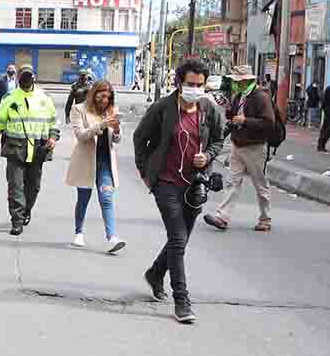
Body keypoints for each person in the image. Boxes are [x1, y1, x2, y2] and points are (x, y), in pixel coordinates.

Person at [133, 57, 226, 325]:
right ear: (179, 83)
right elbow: (141, 138)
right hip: (166, 183)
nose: (195, 89)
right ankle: (181, 300)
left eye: (200, 84)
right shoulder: (163, 108)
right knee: (177, 239)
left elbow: (219, 138)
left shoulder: (209, 108)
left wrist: (207, 156)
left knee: (182, 238)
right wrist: (146, 173)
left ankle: (155, 273)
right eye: (190, 84)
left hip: (195, 184)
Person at [0, 64, 59, 236]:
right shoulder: (10, 98)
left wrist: (53, 137)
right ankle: (17, 220)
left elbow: (53, 122)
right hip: (15, 148)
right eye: (23, 77)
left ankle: (26, 210)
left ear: (34, 78)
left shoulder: (44, 98)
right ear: (18, 78)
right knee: (15, 186)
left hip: (38, 149)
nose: (26, 80)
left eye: (29, 77)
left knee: (33, 187)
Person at [203, 65, 275, 234]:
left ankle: (265, 218)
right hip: (238, 145)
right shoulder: (240, 96)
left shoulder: (261, 97)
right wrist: (228, 108)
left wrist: (245, 121)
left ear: (247, 81)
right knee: (232, 182)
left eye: (238, 81)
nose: (235, 84)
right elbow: (232, 116)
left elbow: (268, 123)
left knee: (260, 184)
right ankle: (223, 217)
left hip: (255, 147)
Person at [66, 79, 125, 254]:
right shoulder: (79, 109)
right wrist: (101, 125)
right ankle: (79, 232)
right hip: (86, 161)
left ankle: (112, 237)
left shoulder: (112, 110)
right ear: (94, 94)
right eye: (102, 95)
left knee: (106, 199)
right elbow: (81, 135)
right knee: (83, 199)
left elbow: (117, 140)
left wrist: (116, 129)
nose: (105, 100)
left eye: (108, 97)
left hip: (105, 161)